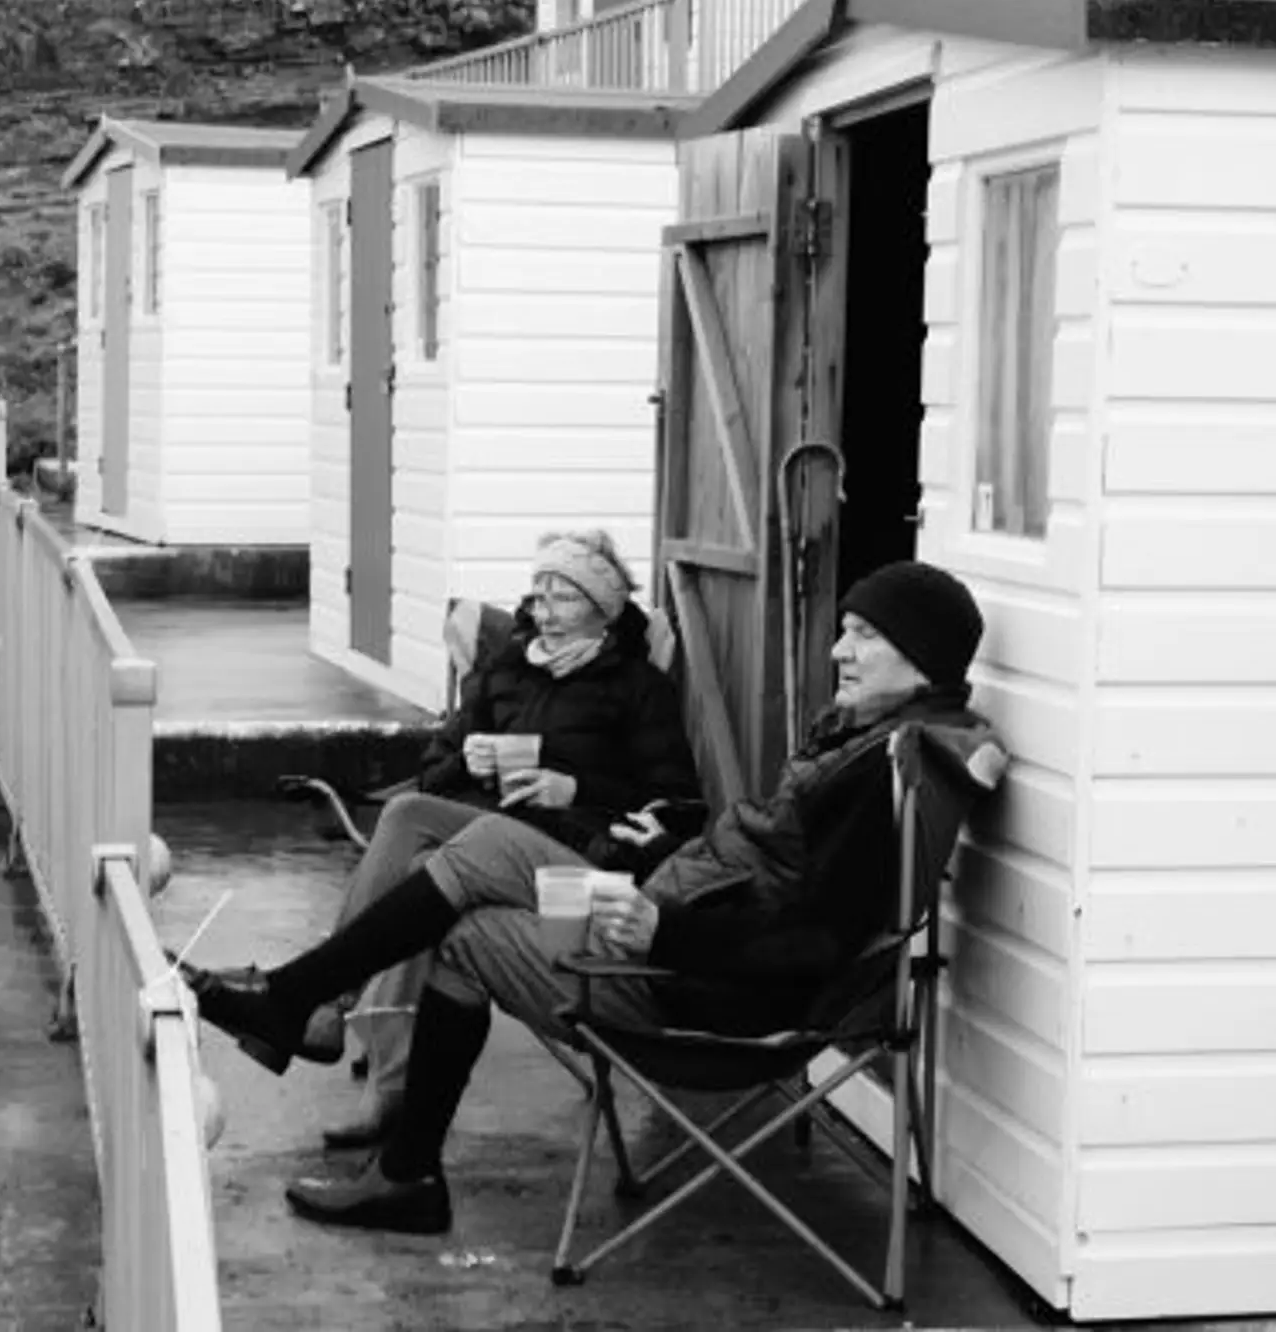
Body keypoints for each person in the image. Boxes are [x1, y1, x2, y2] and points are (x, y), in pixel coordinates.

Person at [177, 559, 1004, 1235]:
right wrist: (669, 852)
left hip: (698, 991)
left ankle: (385, 1139)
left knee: (464, 928)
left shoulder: (885, 773)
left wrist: (662, 931)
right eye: (846, 631)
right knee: (472, 842)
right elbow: (767, 868)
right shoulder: (869, 743)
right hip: (665, 905)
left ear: (922, 658)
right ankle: (318, 1039)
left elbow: (816, 943)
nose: (839, 651)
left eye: (865, 636)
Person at [266, 528, 701, 1149]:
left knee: (415, 837)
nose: (543, 613)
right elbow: (434, 771)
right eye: (537, 596)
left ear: (603, 611)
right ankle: (375, 1071)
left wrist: (572, 787)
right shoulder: (506, 671)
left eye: (563, 599)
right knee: (420, 839)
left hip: (562, 853)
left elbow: (672, 801)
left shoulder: (636, 688)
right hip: (475, 832)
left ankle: (335, 1015)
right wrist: (467, 761)